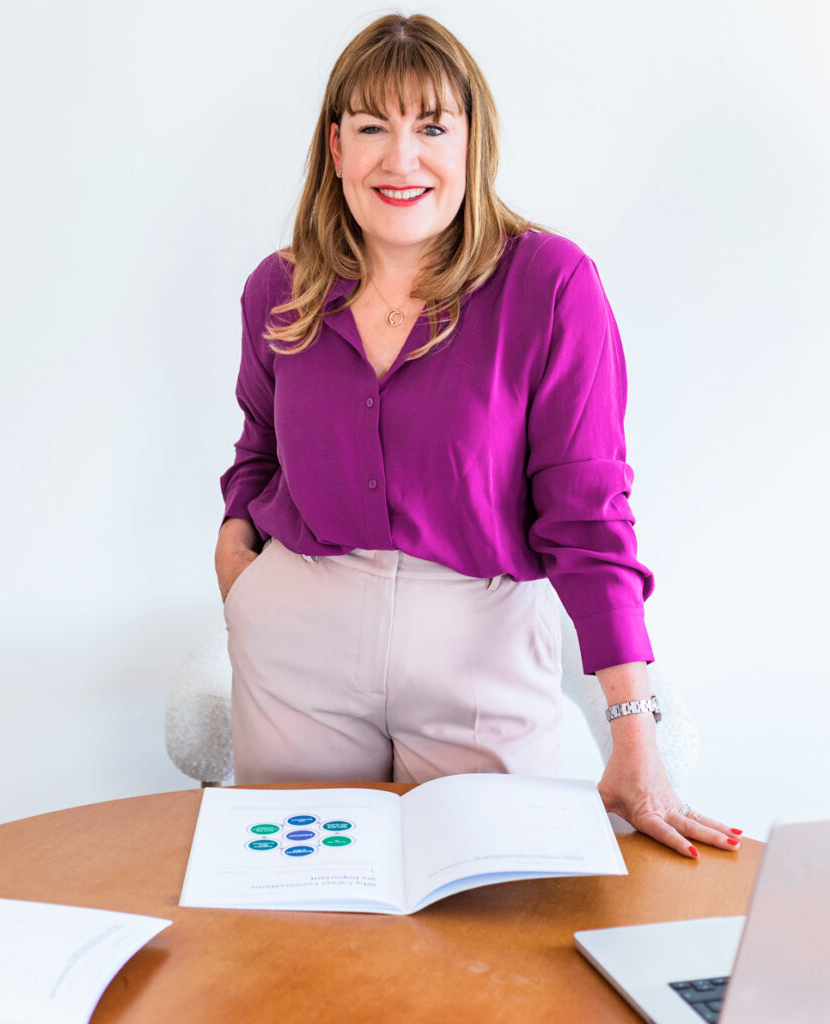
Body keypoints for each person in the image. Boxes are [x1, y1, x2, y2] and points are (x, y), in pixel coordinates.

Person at [215, 13, 742, 860]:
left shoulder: (550, 284)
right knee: (300, 903)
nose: (401, 158)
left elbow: (587, 514)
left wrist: (632, 735)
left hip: (479, 644)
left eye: (431, 127)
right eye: (372, 127)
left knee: (499, 903)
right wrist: (235, 551)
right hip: (297, 643)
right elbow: (260, 447)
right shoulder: (277, 289)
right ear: (336, 146)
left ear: (471, 143)